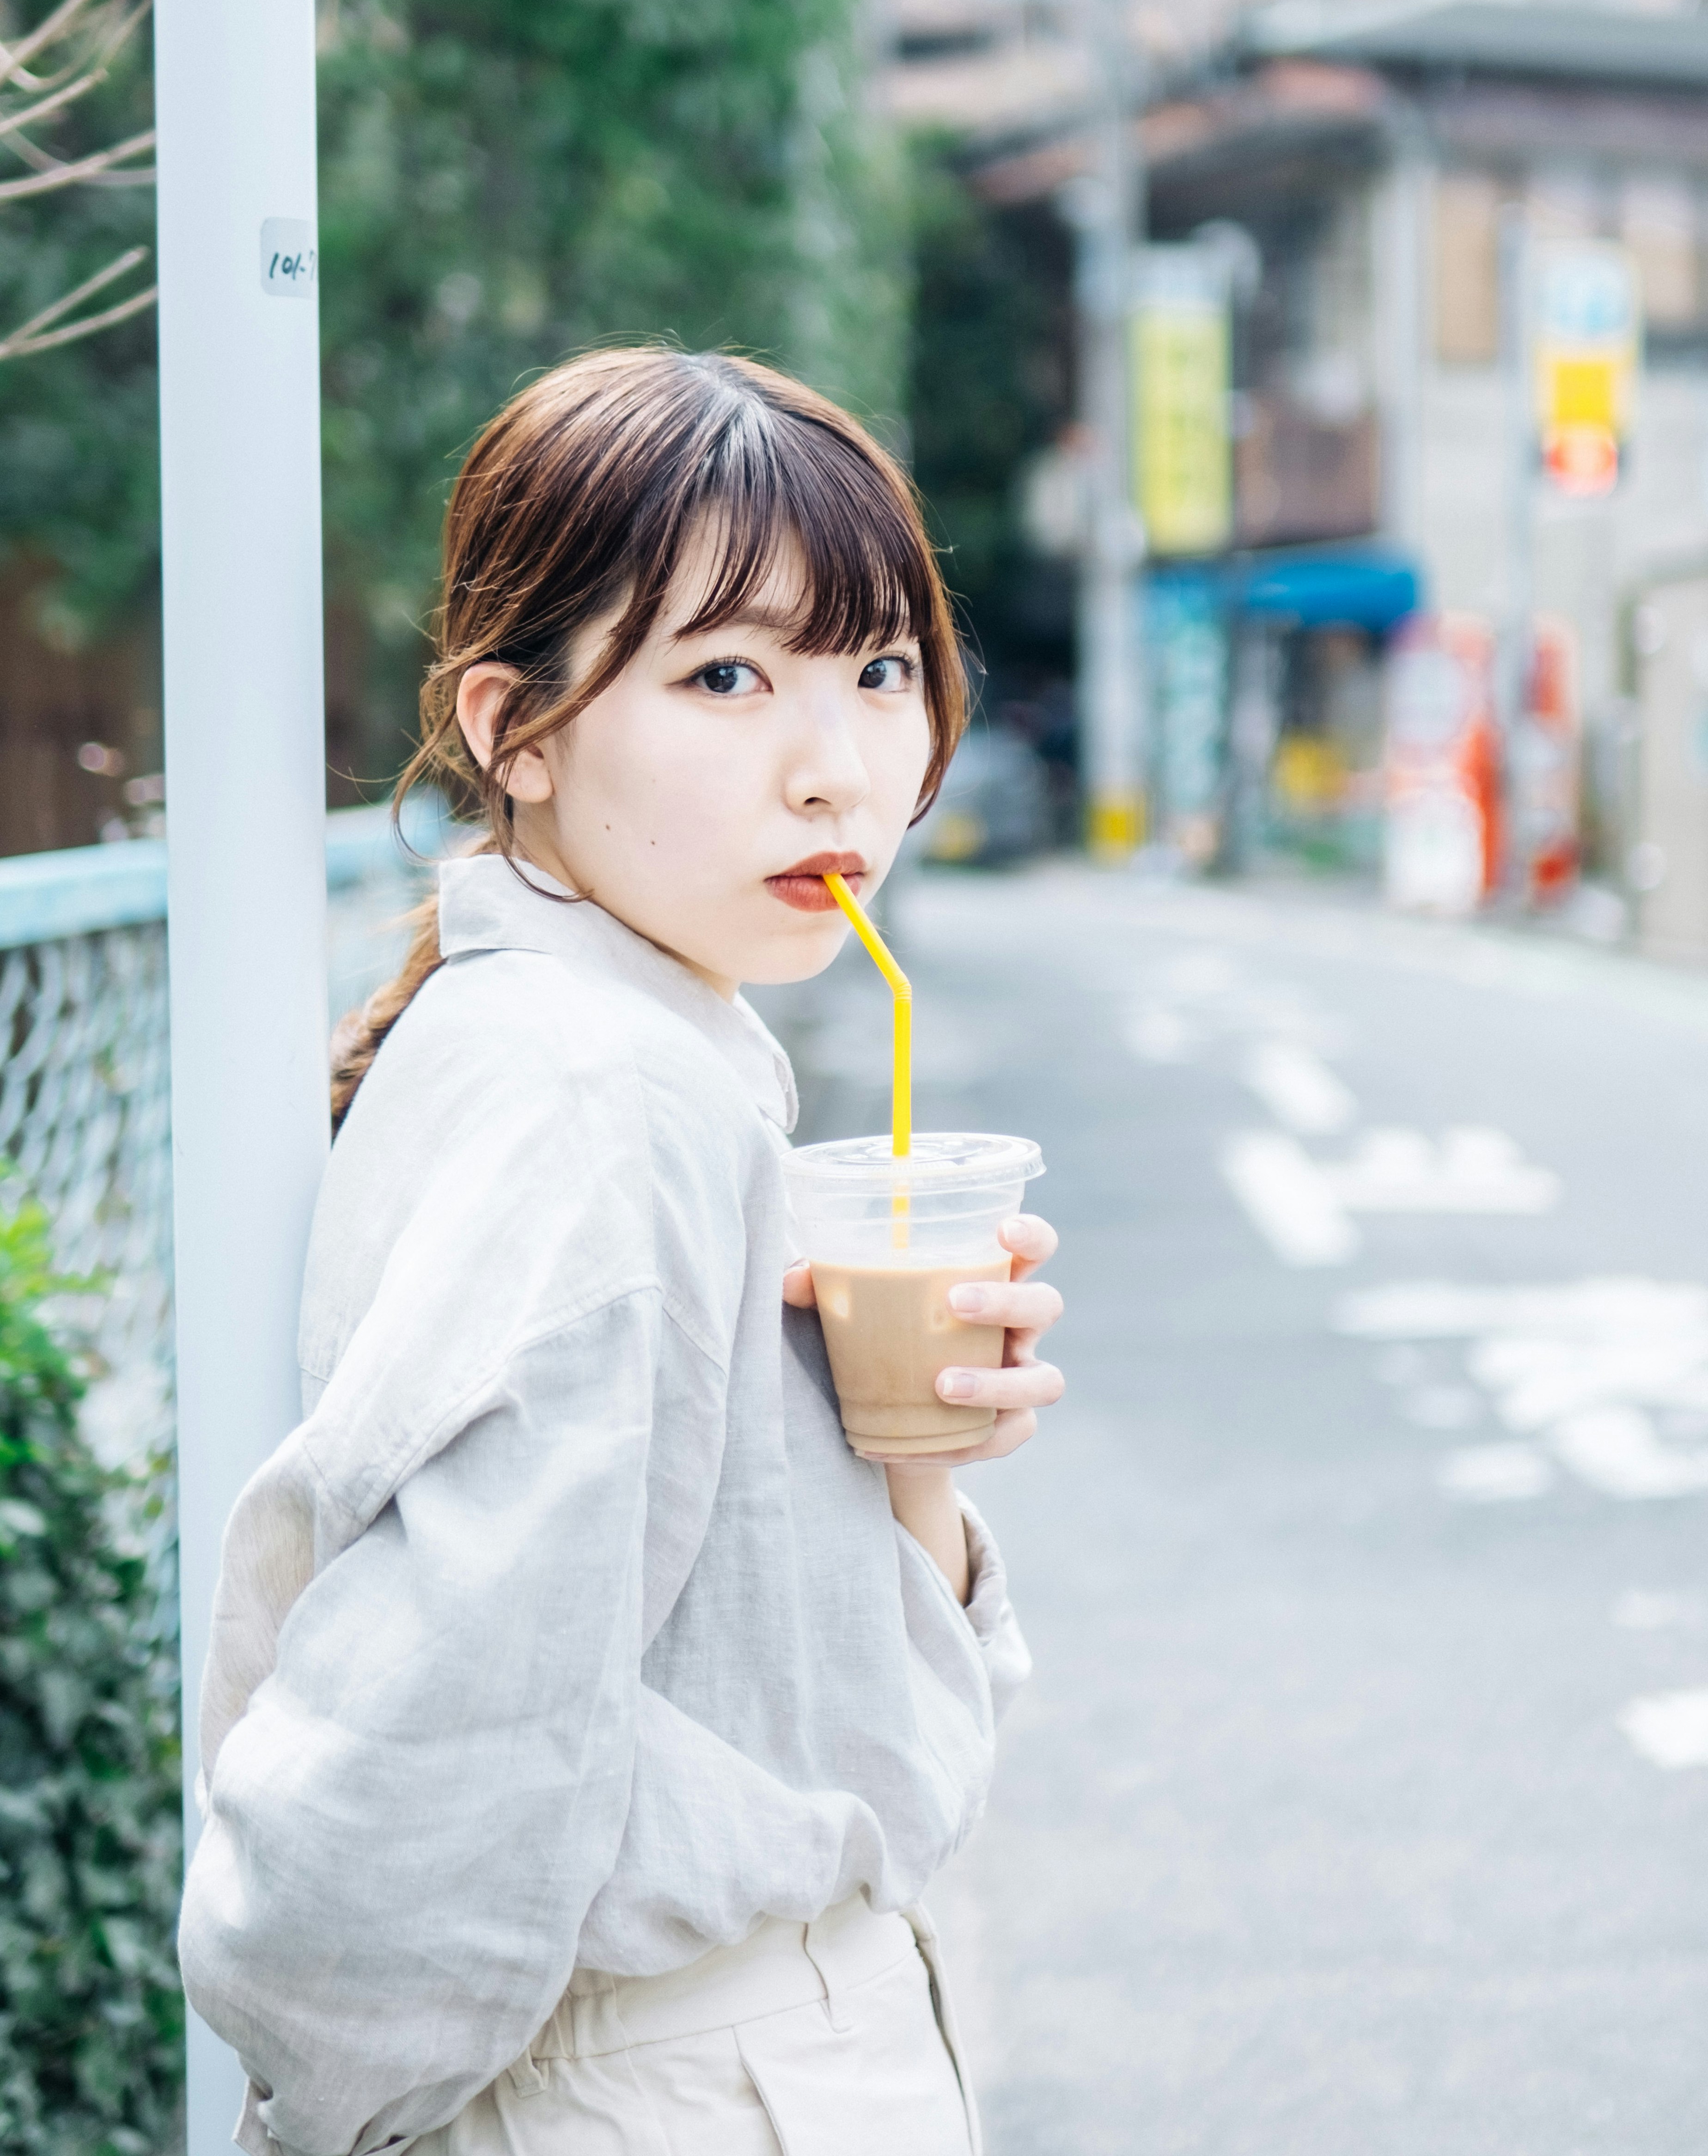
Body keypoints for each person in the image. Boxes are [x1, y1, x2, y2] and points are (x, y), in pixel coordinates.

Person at [180, 347, 1066, 2156]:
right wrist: (342, 2100)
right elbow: (436, 1742)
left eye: (880, 669)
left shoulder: (614, 1051)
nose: (839, 772)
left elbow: (747, 1682)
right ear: (518, 727)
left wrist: (908, 1468)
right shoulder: (609, 1100)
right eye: (727, 676)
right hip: (661, 2085)